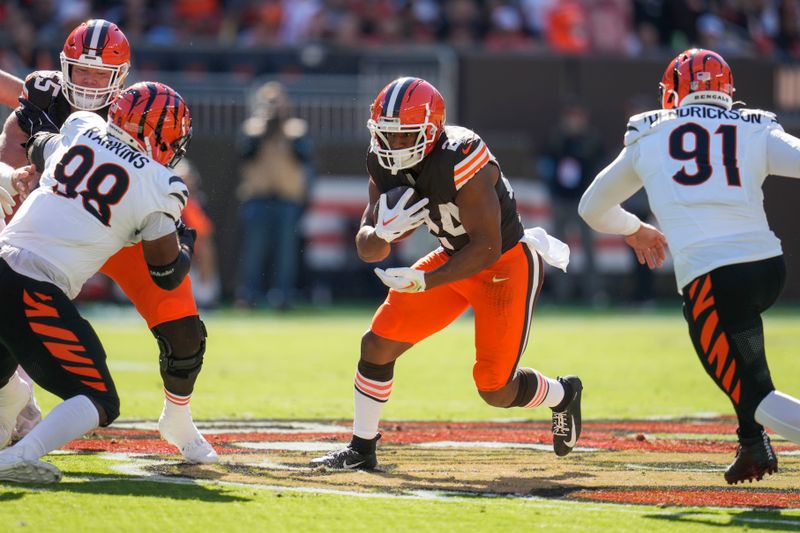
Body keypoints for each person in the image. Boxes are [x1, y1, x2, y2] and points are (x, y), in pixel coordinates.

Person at [311, 77, 581, 470]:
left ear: (431, 130)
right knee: (377, 344)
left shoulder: (461, 157)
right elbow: (368, 249)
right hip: (452, 256)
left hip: (505, 265)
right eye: (386, 135)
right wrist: (381, 233)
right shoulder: (381, 161)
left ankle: (562, 394)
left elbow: (487, 246)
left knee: (495, 387)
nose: (393, 146)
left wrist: (426, 280)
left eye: (404, 137)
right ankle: (361, 448)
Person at [578, 48, 800, 485]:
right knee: (743, 361)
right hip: (768, 267)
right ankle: (753, 446)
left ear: (673, 92)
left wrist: (634, 228)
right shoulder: (755, 127)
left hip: (713, 275)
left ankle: (755, 435)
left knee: (755, 392)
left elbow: (592, 207)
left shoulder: (651, 134)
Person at [0, 19, 216, 464]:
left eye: (102, 75)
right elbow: (19, 134)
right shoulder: (49, 98)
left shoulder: (134, 113)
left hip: (125, 227)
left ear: (122, 79)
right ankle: (12, 401)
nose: (92, 82)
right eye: (82, 72)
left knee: (183, 327)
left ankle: (177, 415)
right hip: (53, 223)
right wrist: (12, 171)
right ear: (64, 69)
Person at [235, 81, 313, 310]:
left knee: (286, 253)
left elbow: (304, 156)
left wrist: (283, 132)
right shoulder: (252, 128)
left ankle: (283, 296)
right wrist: (264, 129)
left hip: (287, 199)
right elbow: (246, 154)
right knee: (254, 251)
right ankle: (249, 295)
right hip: (258, 198)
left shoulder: (296, 129)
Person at [538, 100, 606, 303]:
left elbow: (600, 168)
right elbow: (545, 164)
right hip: (561, 200)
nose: (574, 121)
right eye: (570, 116)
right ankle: (561, 293)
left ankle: (594, 293)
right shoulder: (556, 139)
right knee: (558, 247)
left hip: (583, 201)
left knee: (588, 248)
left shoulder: (592, 140)